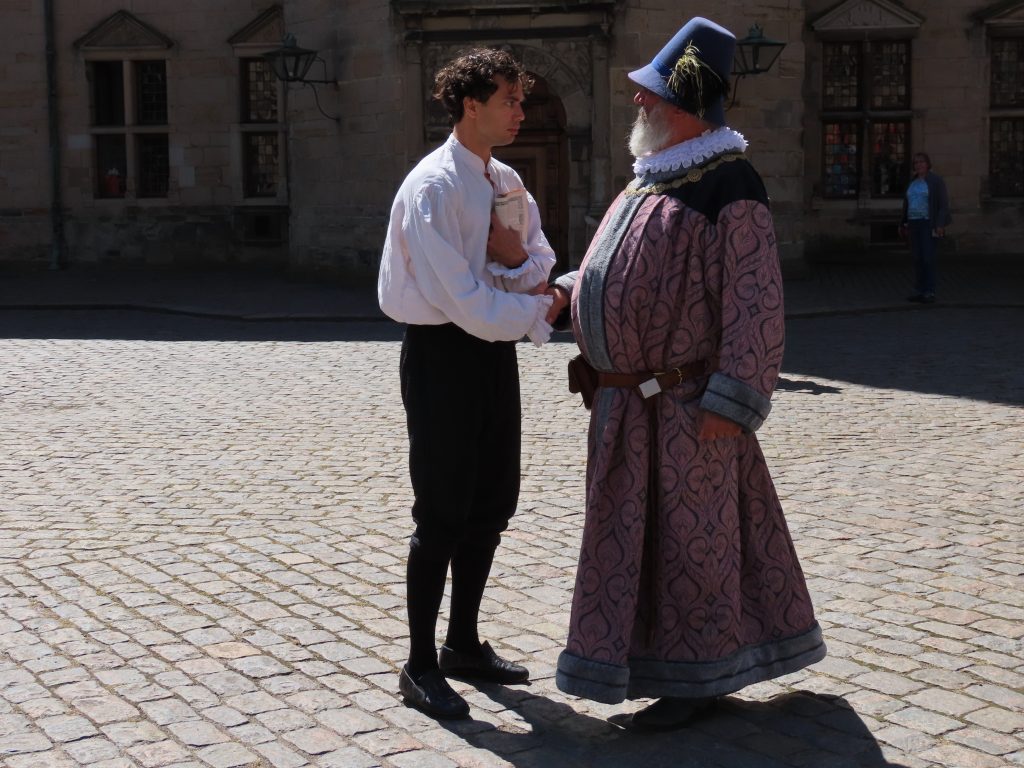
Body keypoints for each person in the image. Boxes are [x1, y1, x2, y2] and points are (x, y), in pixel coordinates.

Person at [546, 17, 826, 731]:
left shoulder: (730, 182)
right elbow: (621, 268)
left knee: (691, 546)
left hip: (684, 408)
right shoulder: (653, 178)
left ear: (682, 102)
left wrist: (730, 402)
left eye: (649, 95)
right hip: (626, 409)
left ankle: (698, 679)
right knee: (636, 545)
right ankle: (651, 664)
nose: (638, 104)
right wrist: (566, 292)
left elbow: (756, 300)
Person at [378, 47, 564, 720]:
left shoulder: (506, 179)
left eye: (522, 99)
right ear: (470, 104)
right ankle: (420, 663)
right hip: (441, 356)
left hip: (491, 356)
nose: (521, 110)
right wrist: (536, 307)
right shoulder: (433, 187)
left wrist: (518, 267)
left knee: (491, 502)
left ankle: (462, 643)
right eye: (510, 100)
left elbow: (537, 255)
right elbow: (458, 297)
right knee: (442, 512)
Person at [900, 152, 951, 303]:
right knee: (917, 258)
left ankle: (929, 291)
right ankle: (919, 290)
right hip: (913, 223)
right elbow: (907, 204)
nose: (919, 165)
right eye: (916, 163)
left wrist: (940, 224)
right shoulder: (913, 182)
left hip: (928, 223)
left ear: (928, 164)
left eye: (921, 162)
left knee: (928, 258)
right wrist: (902, 222)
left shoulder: (936, 181)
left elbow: (943, 205)